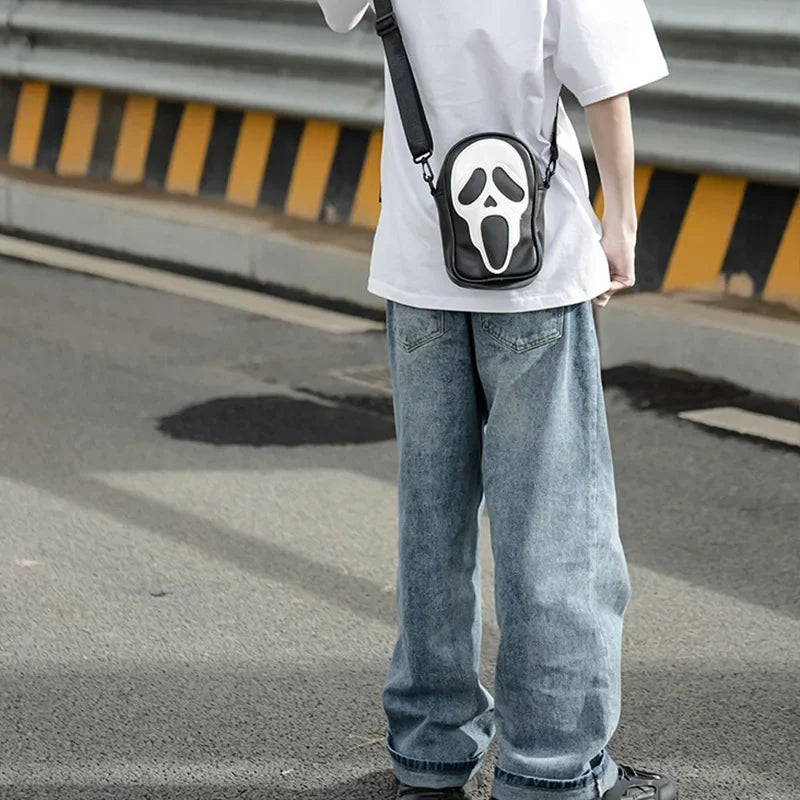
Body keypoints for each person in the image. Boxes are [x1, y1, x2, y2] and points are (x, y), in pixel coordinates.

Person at [316, 1, 677, 798]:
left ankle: (430, 750)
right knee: (554, 522)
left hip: (419, 263)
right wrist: (620, 220)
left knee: (432, 519)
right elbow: (606, 82)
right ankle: (553, 767)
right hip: (537, 273)